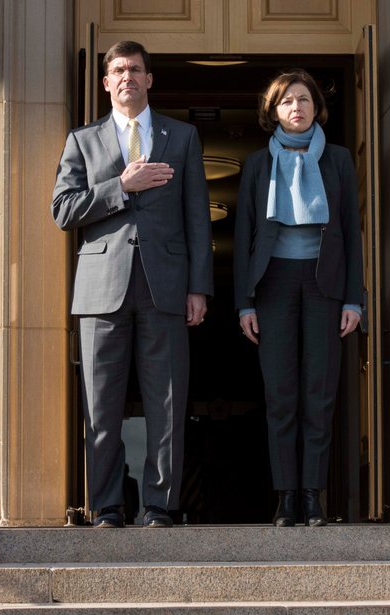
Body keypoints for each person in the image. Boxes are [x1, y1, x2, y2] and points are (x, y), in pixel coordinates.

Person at [52, 40, 212, 528]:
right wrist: (121, 186)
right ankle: (107, 505)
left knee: (167, 401)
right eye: (118, 70)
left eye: (136, 69)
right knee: (102, 406)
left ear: (149, 79)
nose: (127, 77)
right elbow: (63, 210)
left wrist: (198, 287)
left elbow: (197, 218)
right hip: (102, 288)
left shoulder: (180, 137)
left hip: (166, 285)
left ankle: (160, 505)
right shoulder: (83, 140)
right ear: (106, 82)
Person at [233, 69, 362, 527]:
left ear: (316, 108)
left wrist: (354, 298)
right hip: (274, 284)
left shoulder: (340, 160)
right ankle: (286, 496)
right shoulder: (256, 165)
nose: (297, 107)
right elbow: (244, 236)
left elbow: (351, 231)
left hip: (325, 283)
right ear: (274, 110)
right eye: (287, 101)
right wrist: (245, 302)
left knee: (319, 393)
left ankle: (313, 495)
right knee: (281, 395)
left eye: (304, 99)